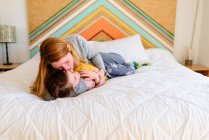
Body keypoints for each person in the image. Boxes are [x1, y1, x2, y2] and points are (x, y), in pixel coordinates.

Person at [31, 34, 106, 99]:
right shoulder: (51, 67)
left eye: (66, 62)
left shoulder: (77, 41)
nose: (67, 68)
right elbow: (50, 95)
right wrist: (84, 85)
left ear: (69, 49)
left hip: (103, 58)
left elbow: (94, 55)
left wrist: (101, 71)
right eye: (60, 68)